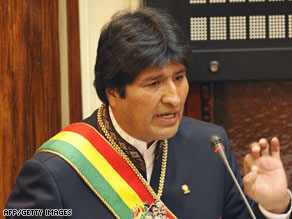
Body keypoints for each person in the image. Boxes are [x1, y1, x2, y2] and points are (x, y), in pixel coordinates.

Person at [6, 7, 291, 219]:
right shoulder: (53, 172)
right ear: (113, 91)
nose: (174, 97)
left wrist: (275, 206)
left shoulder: (210, 147)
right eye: (154, 83)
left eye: (179, 78)